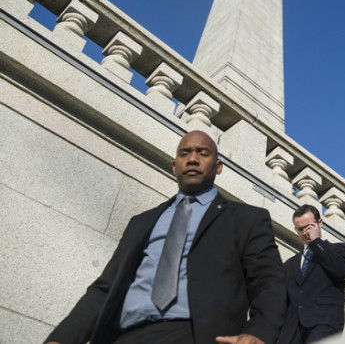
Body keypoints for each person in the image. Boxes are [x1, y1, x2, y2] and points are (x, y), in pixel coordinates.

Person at [45, 131, 286, 344]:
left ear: (218, 166)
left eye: (203, 153)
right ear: (174, 165)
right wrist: (61, 338)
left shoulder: (246, 219)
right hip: (124, 335)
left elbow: (269, 284)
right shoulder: (141, 222)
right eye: (185, 153)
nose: (192, 159)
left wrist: (259, 334)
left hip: (195, 334)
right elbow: (105, 289)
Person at [278, 205, 345, 344]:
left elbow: (343, 270)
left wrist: (316, 242)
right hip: (291, 331)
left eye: (309, 226)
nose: (305, 232)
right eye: (300, 229)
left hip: (323, 323)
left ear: (320, 223)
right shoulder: (290, 264)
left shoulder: (340, 249)